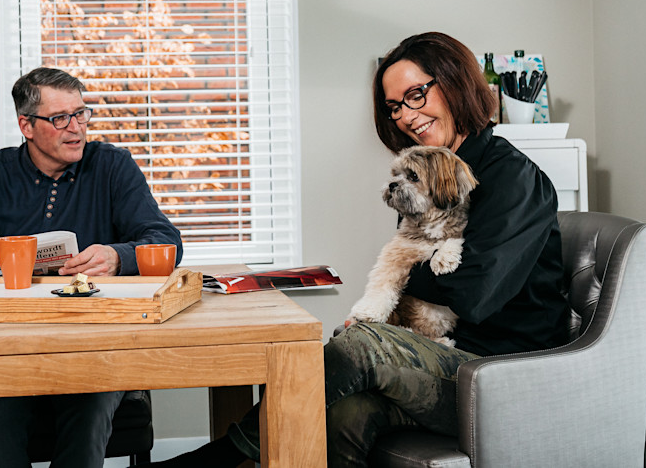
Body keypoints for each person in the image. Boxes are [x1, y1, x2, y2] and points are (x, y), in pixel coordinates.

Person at [140, 31, 569, 468]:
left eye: (416, 94)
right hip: (439, 353)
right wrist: (391, 302)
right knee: (343, 411)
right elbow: (417, 271)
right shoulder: (423, 175)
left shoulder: (513, 178)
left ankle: (218, 458)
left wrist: (396, 284)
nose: (406, 115)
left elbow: (472, 294)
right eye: (395, 106)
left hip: (499, 372)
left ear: (455, 81)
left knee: (359, 345)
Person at [0, 66, 182, 468]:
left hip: (92, 345)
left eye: (81, 114)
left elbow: (165, 240)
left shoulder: (112, 166)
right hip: (1, 347)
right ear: (26, 125)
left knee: (89, 411)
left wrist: (119, 256)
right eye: (60, 118)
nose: (76, 128)